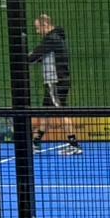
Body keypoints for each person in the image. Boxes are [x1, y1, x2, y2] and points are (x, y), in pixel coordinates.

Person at [27, 14, 82, 155]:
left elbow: (34, 57)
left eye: (38, 28)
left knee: (61, 111)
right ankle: (35, 143)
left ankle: (74, 144)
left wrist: (22, 58)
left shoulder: (51, 39)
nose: (37, 31)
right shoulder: (56, 39)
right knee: (46, 112)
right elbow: (40, 57)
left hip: (56, 82)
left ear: (45, 25)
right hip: (55, 82)